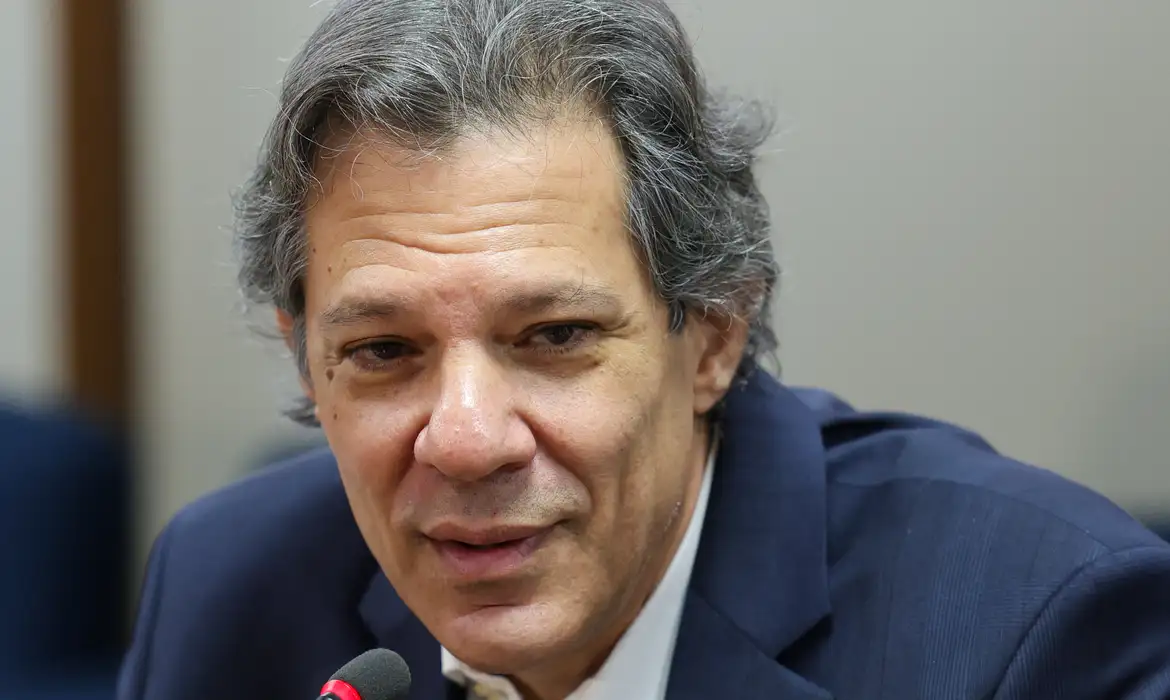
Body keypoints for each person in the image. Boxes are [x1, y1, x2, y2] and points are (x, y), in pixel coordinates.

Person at [116, 0, 1170, 698]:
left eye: (554, 336)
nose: (467, 441)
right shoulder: (229, 591)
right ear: (306, 358)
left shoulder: (1028, 627)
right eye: (385, 350)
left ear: (713, 332)